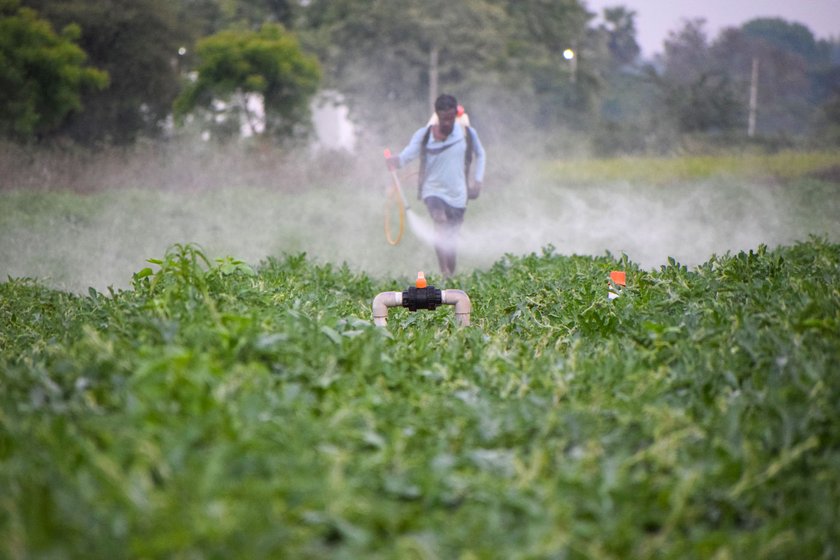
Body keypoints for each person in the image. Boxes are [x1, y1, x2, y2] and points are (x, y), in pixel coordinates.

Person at [386, 94, 486, 279]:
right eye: (443, 119)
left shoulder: (466, 133)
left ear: (455, 115)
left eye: (450, 118)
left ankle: (450, 273)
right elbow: (407, 156)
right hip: (433, 192)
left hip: (458, 195)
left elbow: (481, 155)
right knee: (440, 221)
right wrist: (395, 161)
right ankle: (444, 271)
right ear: (437, 115)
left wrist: (478, 181)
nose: (447, 123)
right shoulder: (424, 135)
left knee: (451, 239)